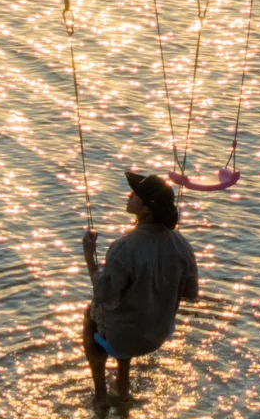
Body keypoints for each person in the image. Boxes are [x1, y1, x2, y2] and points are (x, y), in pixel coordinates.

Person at [81, 171, 199, 406]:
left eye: (135, 195)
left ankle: (100, 397)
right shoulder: (183, 245)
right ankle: (123, 388)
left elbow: (103, 295)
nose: (129, 195)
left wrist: (89, 258)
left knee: (90, 313)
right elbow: (191, 294)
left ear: (146, 210)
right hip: (157, 335)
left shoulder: (123, 247)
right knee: (132, 306)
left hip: (125, 337)